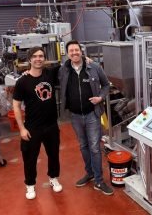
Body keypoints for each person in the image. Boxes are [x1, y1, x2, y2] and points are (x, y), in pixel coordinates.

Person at [58, 40, 113, 195]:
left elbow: (107, 85)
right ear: (67, 53)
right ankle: (89, 173)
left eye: (77, 50)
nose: (74, 53)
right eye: (71, 51)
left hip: (92, 114)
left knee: (95, 147)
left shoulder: (94, 67)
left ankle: (99, 181)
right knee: (83, 146)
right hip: (75, 116)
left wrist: (100, 98)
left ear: (81, 51)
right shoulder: (63, 70)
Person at [13, 47, 62, 200]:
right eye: (35, 56)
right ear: (29, 60)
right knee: (30, 158)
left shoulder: (50, 73)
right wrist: (21, 129)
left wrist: (87, 59)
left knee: (54, 154)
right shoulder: (22, 81)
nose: (38, 59)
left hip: (51, 125)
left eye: (41, 56)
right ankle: (30, 185)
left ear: (44, 58)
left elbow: (70, 64)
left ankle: (53, 178)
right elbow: (16, 105)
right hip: (32, 127)